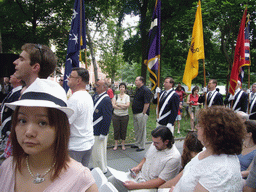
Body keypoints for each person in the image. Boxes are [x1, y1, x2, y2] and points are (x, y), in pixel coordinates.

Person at [0, 79, 98, 191]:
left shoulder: (81, 180)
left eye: (42, 123)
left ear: (60, 128)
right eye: (22, 121)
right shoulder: (8, 167)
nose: (29, 132)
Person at [160, 106, 245, 191]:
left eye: (200, 125)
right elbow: (185, 174)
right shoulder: (207, 151)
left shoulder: (220, 170)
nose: (196, 127)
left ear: (213, 133)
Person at [108, 126, 181, 192]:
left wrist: (135, 186)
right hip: (139, 176)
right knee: (111, 180)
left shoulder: (173, 158)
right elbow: (145, 158)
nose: (153, 144)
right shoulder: (156, 145)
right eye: (153, 142)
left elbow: (160, 181)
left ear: (166, 142)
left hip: (151, 186)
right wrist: (138, 167)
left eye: (156, 143)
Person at [67, 67, 94, 167]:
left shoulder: (75, 99)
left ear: (78, 80)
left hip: (75, 147)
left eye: (70, 76)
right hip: (87, 144)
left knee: (72, 179)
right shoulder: (87, 96)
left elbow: (65, 124)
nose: (68, 78)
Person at [91, 80, 112, 173]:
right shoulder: (95, 96)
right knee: (95, 152)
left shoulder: (106, 99)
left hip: (100, 130)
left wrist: (104, 132)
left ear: (104, 87)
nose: (95, 87)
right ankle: (96, 167)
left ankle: (102, 169)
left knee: (99, 152)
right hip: (94, 128)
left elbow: (107, 117)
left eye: (97, 85)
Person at [131, 76, 152, 152]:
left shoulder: (146, 90)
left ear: (141, 81)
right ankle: (137, 143)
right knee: (137, 129)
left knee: (142, 130)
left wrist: (143, 113)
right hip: (135, 113)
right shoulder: (138, 90)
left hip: (141, 113)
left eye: (137, 80)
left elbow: (147, 103)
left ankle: (142, 145)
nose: (135, 81)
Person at [0, 75, 23, 141]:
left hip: (9, 129)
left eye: (13, 75)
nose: (10, 76)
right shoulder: (13, 91)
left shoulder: (19, 93)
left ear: (18, 80)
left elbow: (14, 113)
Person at [112, 82, 130, 151]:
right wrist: (122, 106)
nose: (122, 88)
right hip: (116, 115)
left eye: (123, 87)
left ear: (125, 89)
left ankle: (123, 144)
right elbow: (113, 105)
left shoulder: (127, 97)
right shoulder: (116, 96)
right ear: (119, 88)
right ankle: (116, 144)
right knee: (116, 129)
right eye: (120, 87)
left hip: (124, 116)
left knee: (123, 130)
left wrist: (118, 105)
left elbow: (127, 106)